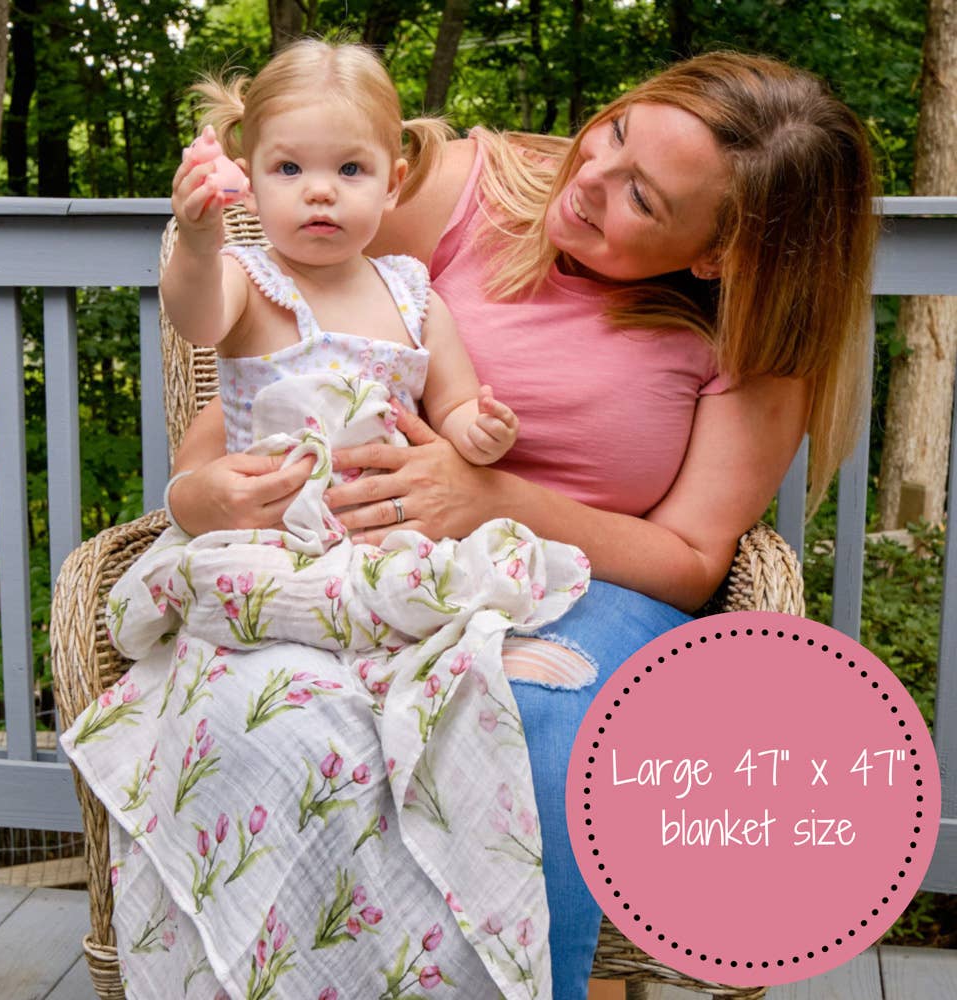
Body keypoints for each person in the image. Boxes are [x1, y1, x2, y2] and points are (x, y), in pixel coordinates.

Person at [166, 49, 878, 1000]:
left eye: (642, 199)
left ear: (718, 254)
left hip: (591, 585)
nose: (589, 180)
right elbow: (281, 350)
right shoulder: (465, 195)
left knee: (521, 715)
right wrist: (203, 484)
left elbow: (693, 558)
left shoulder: (751, 337)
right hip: (374, 559)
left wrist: (497, 499)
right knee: (285, 711)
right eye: (614, 133)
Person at [164, 41, 518, 480]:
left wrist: (477, 431)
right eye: (289, 168)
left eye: (349, 169)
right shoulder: (247, 280)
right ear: (250, 186)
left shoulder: (414, 298)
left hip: (388, 517)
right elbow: (196, 323)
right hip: (270, 515)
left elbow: (454, 403)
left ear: (392, 185)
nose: (320, 191)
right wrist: (198, 244)